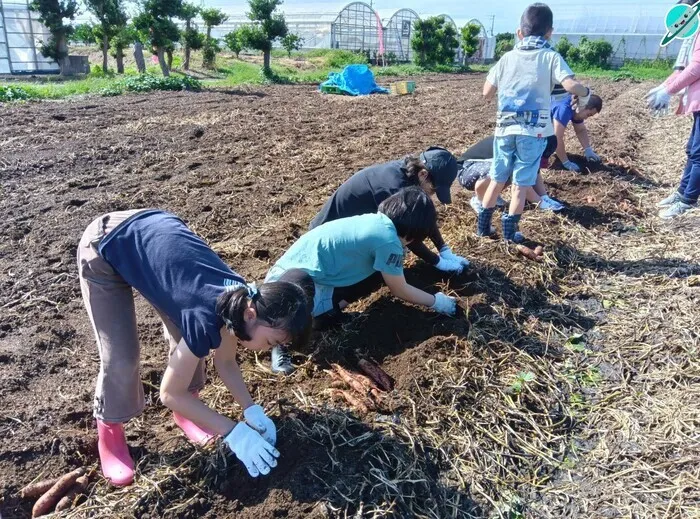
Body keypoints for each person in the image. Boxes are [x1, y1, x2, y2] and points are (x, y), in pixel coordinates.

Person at [77, 209, 313, 485]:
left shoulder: (239, 302)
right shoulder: (209, 318)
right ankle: (111, 430)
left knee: (186, 343)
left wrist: (250, 409)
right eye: (271, 342)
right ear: (252, 314)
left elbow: (225, 362)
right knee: (121, 357)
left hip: (153, 243)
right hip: (107, 244)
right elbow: (168, 393)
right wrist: (233, 432)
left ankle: (188, 411)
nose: (265, 350)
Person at [267, 187, 458, 375]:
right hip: (287, 290)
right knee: (386, 274)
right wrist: (438, 302)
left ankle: (326, 315)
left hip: (312, 278)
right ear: (414, 232)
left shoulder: (377, 223)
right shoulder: (388, 240)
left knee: (379, 273)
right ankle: (281, 343)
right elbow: (400, 290)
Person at [479, 2, 592, 242]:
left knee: (498, 179)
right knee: (520, 184)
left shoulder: (506, 58)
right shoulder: (551, 57)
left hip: (504, 130)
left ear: (520, 32)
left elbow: (487, 92)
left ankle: (483, 229)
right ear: (550, 32)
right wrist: (585, 92)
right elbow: (570, 85)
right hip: (533, 133)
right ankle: (511, 234)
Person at [309, 146, 470, 273]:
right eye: (433, 189)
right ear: (423, 174)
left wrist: (443, 249)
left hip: (351, 231)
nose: (432, 195)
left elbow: (423, 216)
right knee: (384, 264)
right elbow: (408, 235)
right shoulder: (394, 189)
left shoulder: (406, 173)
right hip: (327, 244)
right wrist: (438, 262)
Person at [646, 0, 700, 219]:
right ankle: (682, 193)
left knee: (698, 153)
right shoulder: (693, 34)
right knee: (692, 150)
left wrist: (668, 92)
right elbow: (684, 69)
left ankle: (689, 200)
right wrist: (664, 86)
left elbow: (696, 67)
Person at [458, 135, 565, 212]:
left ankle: (492, 196)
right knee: (509, 169)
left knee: (516, 170)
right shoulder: (519, 145)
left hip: (482, 167)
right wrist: (540, 203)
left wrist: (544, 197)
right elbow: (521, 183)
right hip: (467, 169)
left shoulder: (528, 143)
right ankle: (479, 199)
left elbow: (534, 172)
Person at [551, 93, 604, 172]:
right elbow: (557, 138)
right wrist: (566, 162)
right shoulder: (564, 109)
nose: (586, 118)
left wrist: (588, 149)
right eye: (588, 114)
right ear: (583, 106)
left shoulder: (577, 109)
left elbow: (580, 130)